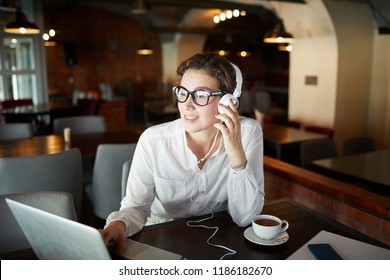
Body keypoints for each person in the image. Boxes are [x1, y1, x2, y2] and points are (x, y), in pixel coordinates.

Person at [100, 53, 264, 255]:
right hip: (161, 235)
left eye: (201, 95)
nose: (186, 104)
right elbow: (137, 207)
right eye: (182, 92)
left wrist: (237, 155)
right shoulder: (153, 140)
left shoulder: (248, 133)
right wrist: (118, 225)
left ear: (228, 102)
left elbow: (245, 217)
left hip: (220, 238)